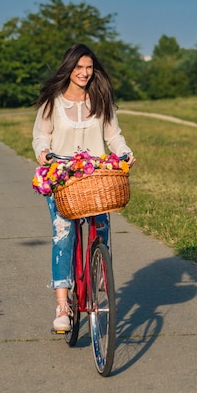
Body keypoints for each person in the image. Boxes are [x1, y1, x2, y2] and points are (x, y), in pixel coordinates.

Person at [32, 43, 136, 332]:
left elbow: (113, 135)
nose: (85, 73)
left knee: (101, 230)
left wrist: (124, 152)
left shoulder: (100, 98)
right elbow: (41, 136)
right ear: (69, 69)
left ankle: (98, 284)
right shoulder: (52, 102)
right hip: (63, 177)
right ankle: (63, 305)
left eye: (89, 68)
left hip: (95, 177)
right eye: (79, 68)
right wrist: (43, 152)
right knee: (63, 235)